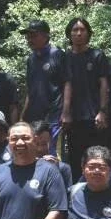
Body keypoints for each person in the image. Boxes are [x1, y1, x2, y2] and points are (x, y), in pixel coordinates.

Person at [61, 17, 110, 173]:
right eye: (75, 30)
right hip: (74, 118)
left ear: (89, 33)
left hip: (94, 117)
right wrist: (66, 113)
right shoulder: (66, 57)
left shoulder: (97, 56)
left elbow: (104, 84)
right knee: (75, 157)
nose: (79, 33)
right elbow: (67, 84)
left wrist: (103, 111)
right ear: (69, 34)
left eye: (82, 30)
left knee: (97, 155)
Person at [20, 20, 66, 155]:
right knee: (34, 151)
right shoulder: (31, 59)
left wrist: (66, 111)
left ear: (46, 36)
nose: (29, 39)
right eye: (28, 36)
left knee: (51, 151)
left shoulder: (57, 54)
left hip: (54, 114)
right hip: (34, 115)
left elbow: (67, 84)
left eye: (33, 35)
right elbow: (30, 89)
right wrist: (23, 116)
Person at [32, 119, 73, 190]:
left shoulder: (63, 168)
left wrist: (56, 171)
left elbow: (67, 196)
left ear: (50, 141)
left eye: (44, 144)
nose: (40, 149)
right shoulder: (20, 166)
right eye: (36, 144)